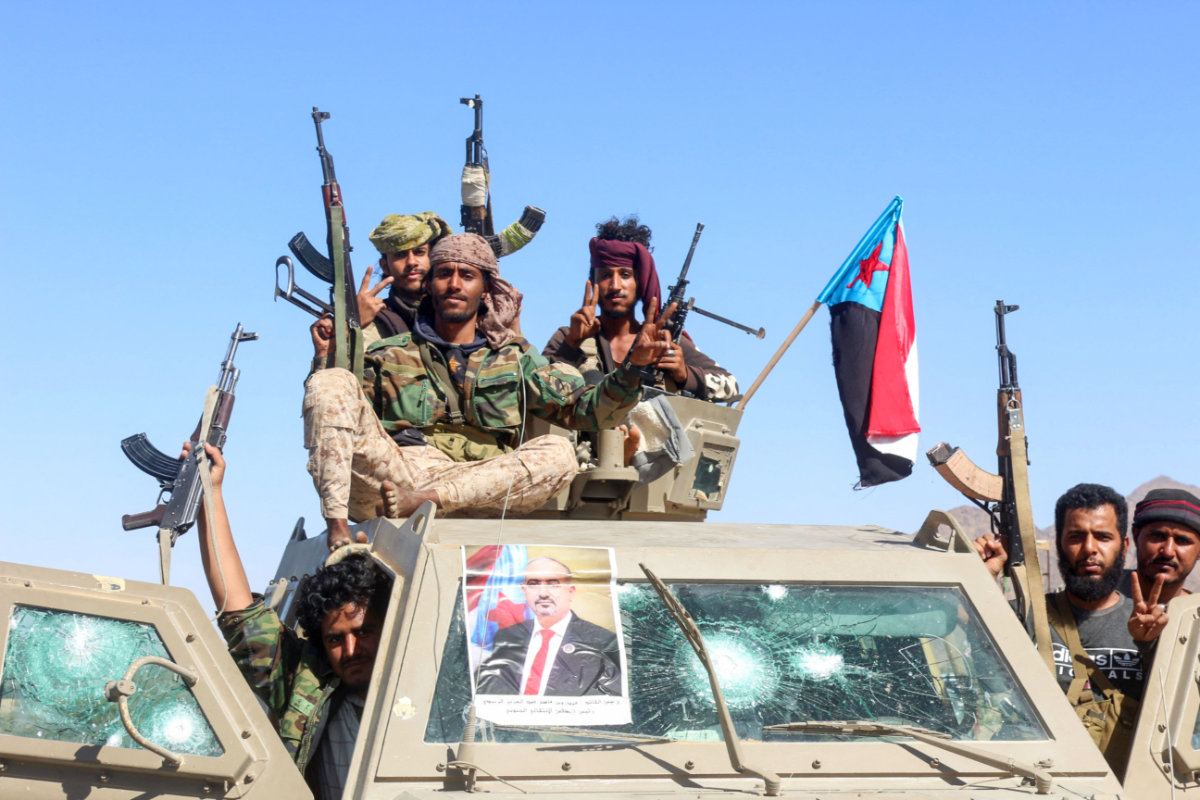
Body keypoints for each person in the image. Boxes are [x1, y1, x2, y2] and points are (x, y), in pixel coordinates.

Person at [305, 232, 674, 549]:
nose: (454, 284)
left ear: (485, 290)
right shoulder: (389, 353)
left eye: (467, 275)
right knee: (331, 381)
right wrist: (327, 358)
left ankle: (427, 500)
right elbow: (342, 417)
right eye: (444, 274)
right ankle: (337, 526)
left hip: (483, 489)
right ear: (430, 284)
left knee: (560, 452)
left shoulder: (514, 358)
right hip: (397, 477)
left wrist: (634, 367)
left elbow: (586, 411)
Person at [192, 442, 390, 800]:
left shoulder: (429, 692)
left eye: (363, 632)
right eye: (335, 638)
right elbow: (239, 613)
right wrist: (211, 492)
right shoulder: (307, 685)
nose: (350, 650)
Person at [974, 483, 1149, 699]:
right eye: (1076, 537)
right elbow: (989, 683)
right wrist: (983, 582)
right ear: (1059, 544)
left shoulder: (1145, 625)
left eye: (1103, 537)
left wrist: (1148, 644)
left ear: (1124, 546)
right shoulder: (1025, 616)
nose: (1089, 548)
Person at [542, 215, 738, 403]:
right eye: (605, 275)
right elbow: (534, 392)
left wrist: (684, 373)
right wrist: (571, 344)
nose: (615, 285)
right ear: (594, 282)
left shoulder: (662, 341)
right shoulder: (568, 336)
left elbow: (731, 386)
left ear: (640, 283)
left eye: (625, 275)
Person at [474, 556, 621, 696]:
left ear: (570, 592)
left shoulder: (603, 642)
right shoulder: (508, 636)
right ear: (524, 591)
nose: (543, 593)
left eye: (553, 584)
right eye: (533, 584)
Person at [357, 212, 453, 342]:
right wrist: (352, 325)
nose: (411, 262)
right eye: (400, 255)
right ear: (385, 267)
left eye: (419, 252)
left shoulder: (458, 313)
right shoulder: (372, 322)